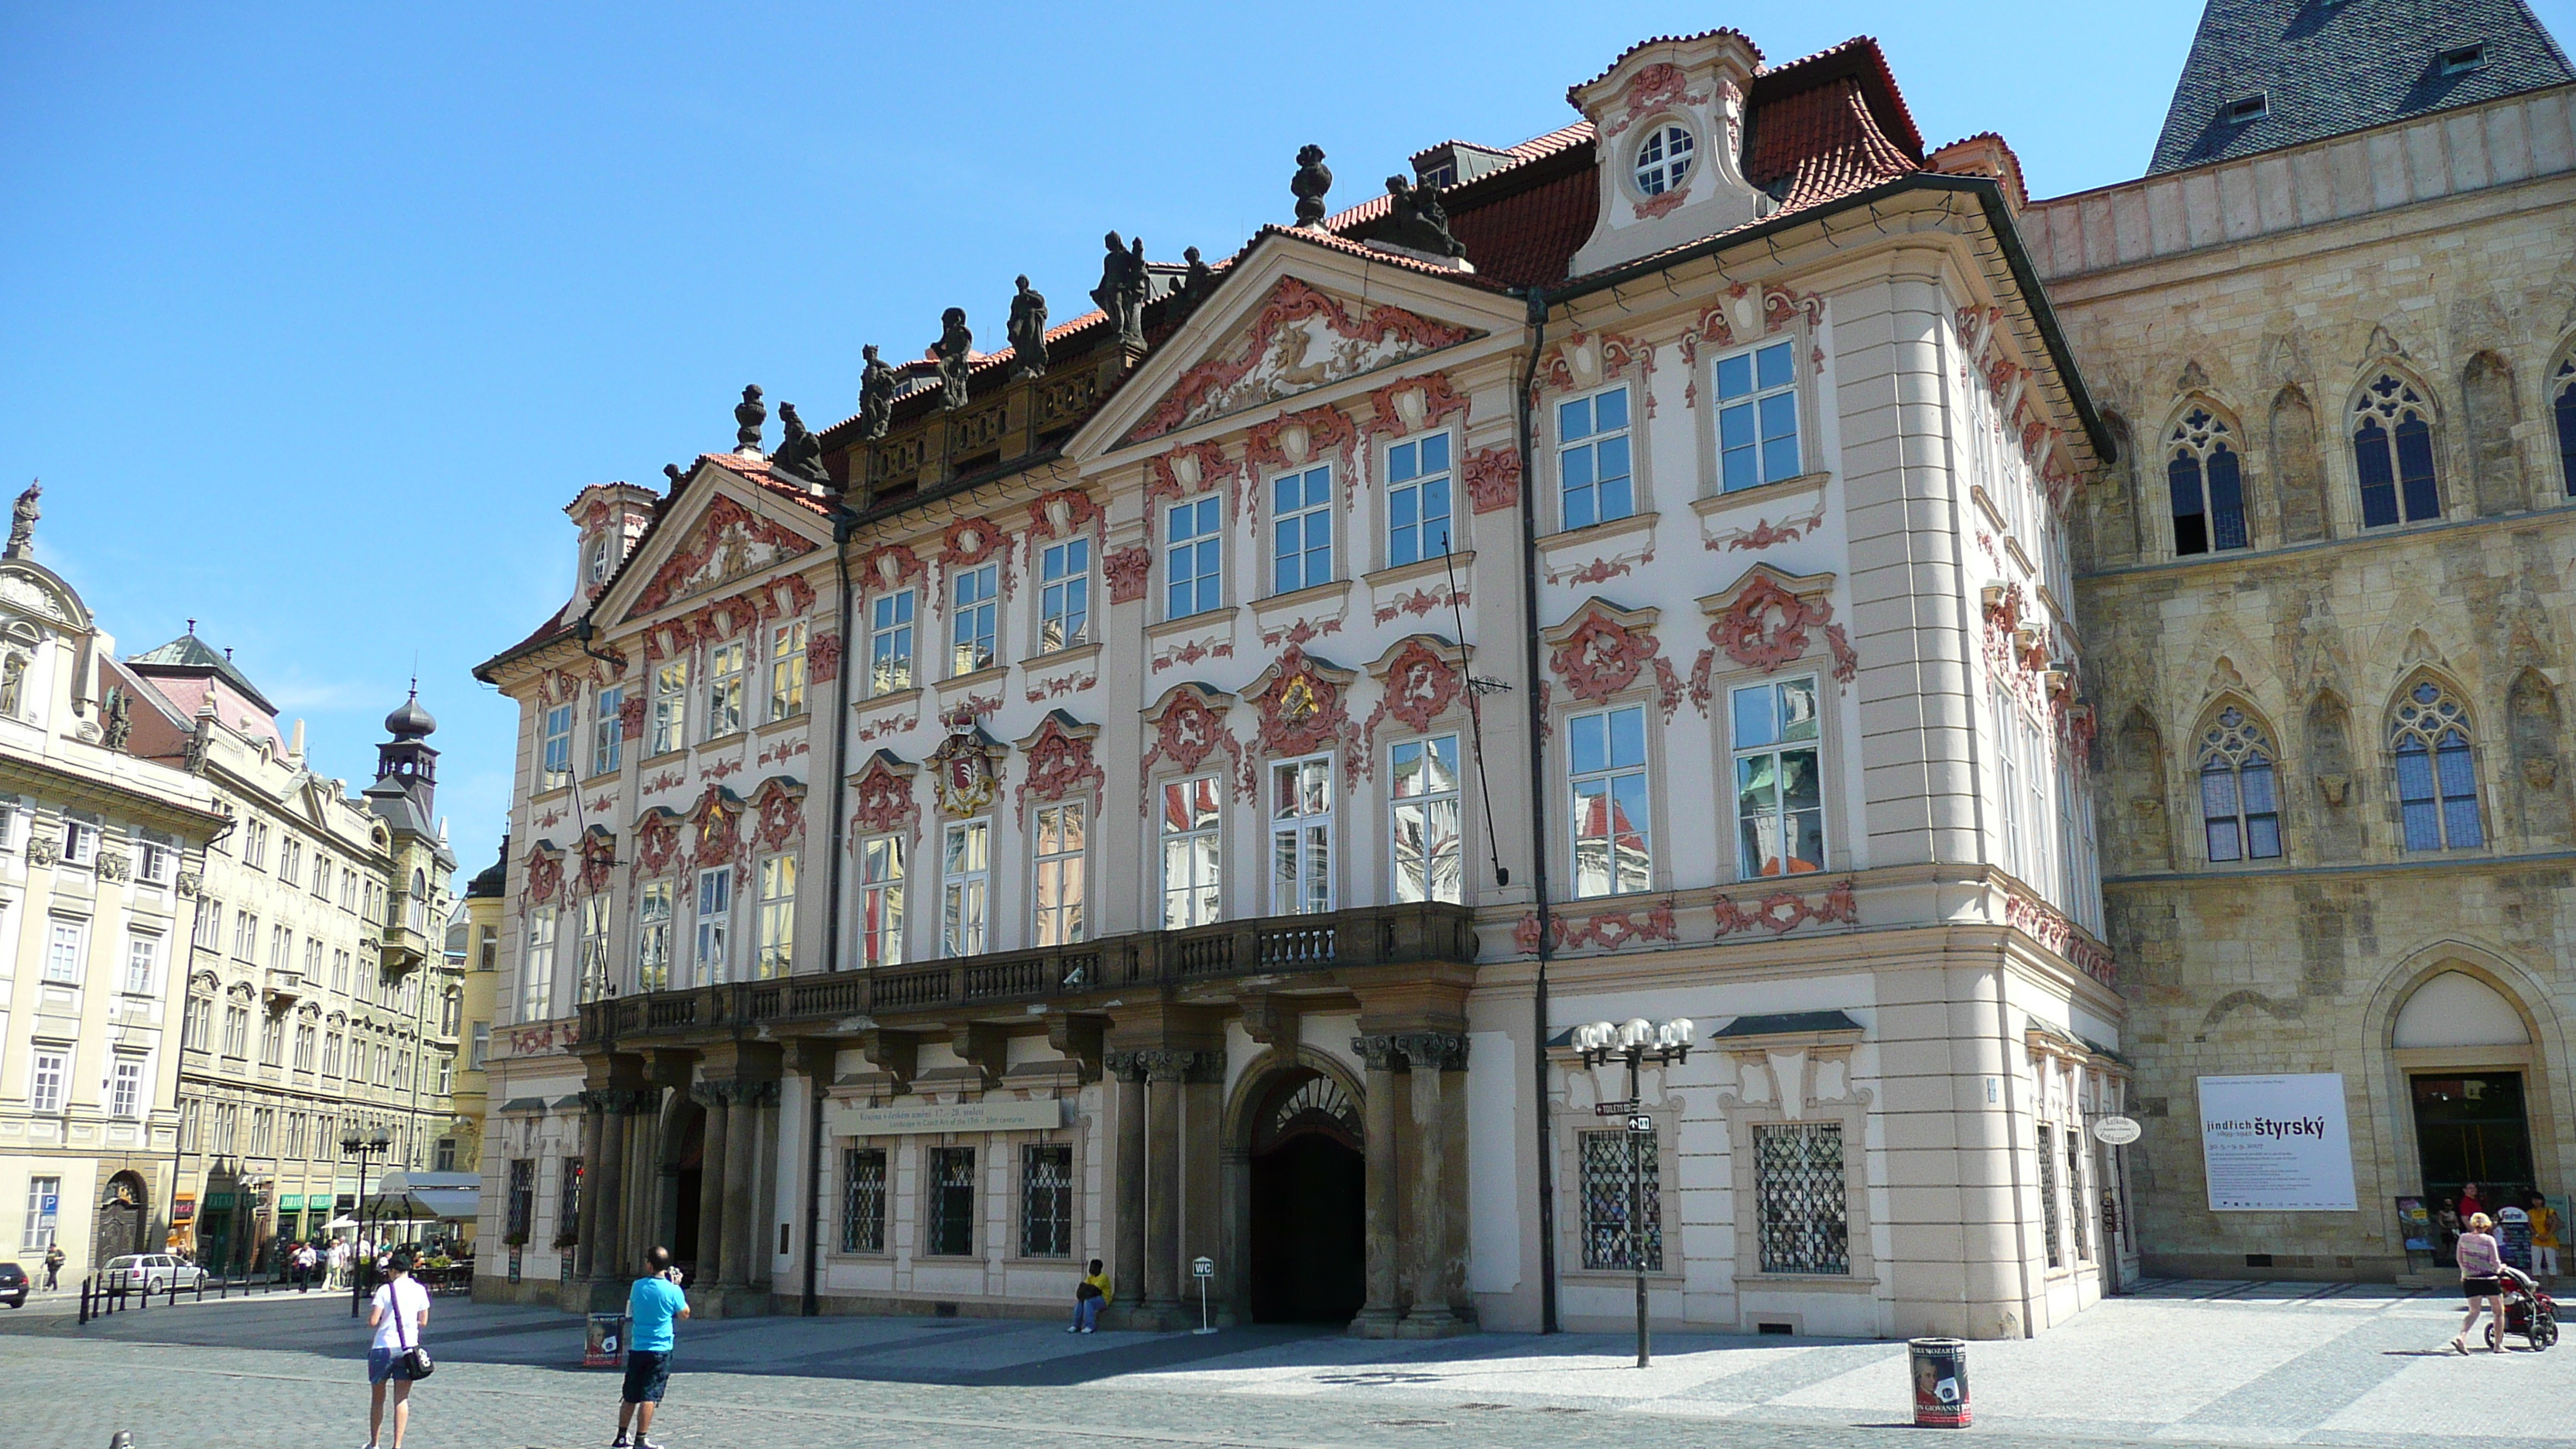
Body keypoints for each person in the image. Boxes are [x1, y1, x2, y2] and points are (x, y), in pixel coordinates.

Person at [615, 1246, 690, 1449]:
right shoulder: (673, 1290)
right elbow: (684, 1314)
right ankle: (641, 1438)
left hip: (638, 1346)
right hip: (660, 1348)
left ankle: (621, 1437)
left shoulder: (637, 1286)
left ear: (649, 1264)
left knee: (631, 1394)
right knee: (650, 1395)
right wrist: (676, 1286)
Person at [365, 1248, 431, 1448]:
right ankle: (397, 1445)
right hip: (408, 1348)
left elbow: (373, 1321)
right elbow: (424, 1321)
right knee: (401, 1399)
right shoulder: (419, 1290)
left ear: (393, 1271)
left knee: (378, 1399)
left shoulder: (385, 1290)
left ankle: (375, 1443)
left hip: (383, 1347)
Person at [2453, 1211, 2506, 1354]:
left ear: (2472, 1223)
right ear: (2487, 1225)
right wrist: (2501, 1268)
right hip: (2489, 1279)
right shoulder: (2488, 1240)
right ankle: (2498, 1345)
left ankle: (2462, 1337)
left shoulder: (2463, 1238)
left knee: (2474, 1312)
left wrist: (2465, 1272)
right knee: (2498, 1312)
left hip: (2470, 1279)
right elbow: (2495, 1262)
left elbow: (2459, 1258)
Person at [1069, 1258, 1110, 1334]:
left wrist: (1087, 1288)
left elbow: (1094, 1290)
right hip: (1093, 1297)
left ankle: (1090, 1326)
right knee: (1080, 1302)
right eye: (1090, 1267)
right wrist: (1087, 1289)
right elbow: (1081, 1289)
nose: (1091, 1269)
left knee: (1088, 1303)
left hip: (1104, 1299)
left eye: (1093, 1267)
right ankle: (1076, 1325)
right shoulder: (1090, 1277)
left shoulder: (1103, 1277)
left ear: (1099, 1268)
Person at [2532, 1192, 2561, 1283]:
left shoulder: (2549, 1211)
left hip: (2549, 1239)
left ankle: (2552, 1282)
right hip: (2536, 1239)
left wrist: (2548, 1235)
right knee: (2536, 1261)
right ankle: (2537, 1282)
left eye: (2538, 1199)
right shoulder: (2530, 1212)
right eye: (2534, 1200)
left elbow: (2555, 1223)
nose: (2536, 1202)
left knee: (2550, 1261)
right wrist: (2537, 1235)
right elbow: (2530, 1226)